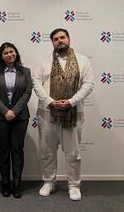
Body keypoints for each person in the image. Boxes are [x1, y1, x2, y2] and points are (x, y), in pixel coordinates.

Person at [32, 28, 94, 201]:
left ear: (69, 39)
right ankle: (49, 182)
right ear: (52, 42)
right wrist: (50, 101)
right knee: (47, 151)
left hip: (73, 113)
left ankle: (74, 186)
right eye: (56, 39)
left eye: (62, 37)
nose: (59, 41)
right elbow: (36, 82)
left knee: (73, 153)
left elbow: (88, 84)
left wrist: (71, 101)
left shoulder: (82, 60)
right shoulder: (43, 60)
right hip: (47, 113)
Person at [0, 42, 32, 198]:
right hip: (0, 117)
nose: (9, 55)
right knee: (3, 150)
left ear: (16, 53)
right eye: (6, 53)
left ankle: (17, 185)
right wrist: (5, 111)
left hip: (20, 117)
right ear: (1, 56)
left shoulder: (25, 72)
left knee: (17, 150)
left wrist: (14, 111)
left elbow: (27, 92)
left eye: (11, 52)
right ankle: (5, 184)